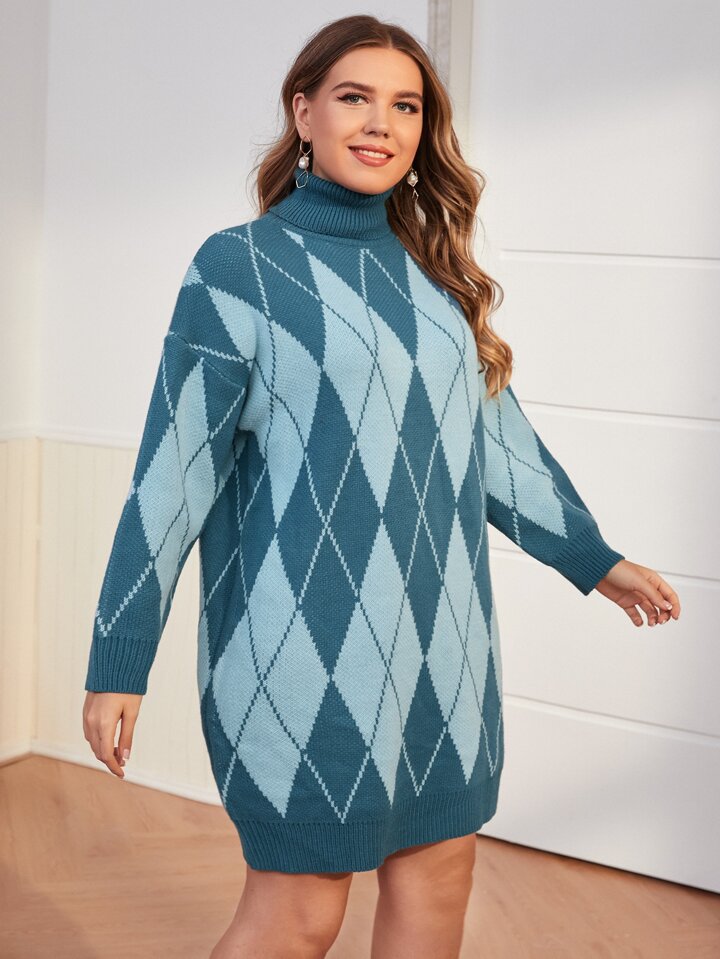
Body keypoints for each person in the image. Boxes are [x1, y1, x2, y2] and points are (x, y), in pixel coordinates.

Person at [82, 14, 681, 959]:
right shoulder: (238, 269)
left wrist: (596, 559)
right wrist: (119, 659)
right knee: (299, 915)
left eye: (406, 106)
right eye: (354, 98)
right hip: (297, 651)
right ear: (304, 113)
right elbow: (173, 477)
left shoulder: (435, 277)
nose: (381, 123)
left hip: (445, 651)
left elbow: (498, 447)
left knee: (438, 886)